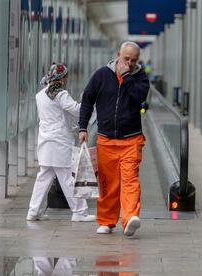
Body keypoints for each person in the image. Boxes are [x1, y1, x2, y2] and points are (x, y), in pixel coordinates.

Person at [78, 42, 149, 236]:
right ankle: (107, 221)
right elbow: (87, 100)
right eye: (126, 59)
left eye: (134, 60)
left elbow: (139, 97)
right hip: (106, 139)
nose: (130, 63)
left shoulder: (140, 77)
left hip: (131, 139)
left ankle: (130, 219)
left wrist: (126, 76)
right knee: (108, 184)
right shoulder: (101, 75)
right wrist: (83, 127)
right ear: (118, 55)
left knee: (130, 180)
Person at [27, 63, 96, 222]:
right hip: (59, 140)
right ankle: (79, 212)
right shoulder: (60, 94)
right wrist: (88, 103)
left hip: (45, 140)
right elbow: (76, 110)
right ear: (63, 77)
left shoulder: (40, 94)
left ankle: (33, 211)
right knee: (66, 176)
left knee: (44, 176)